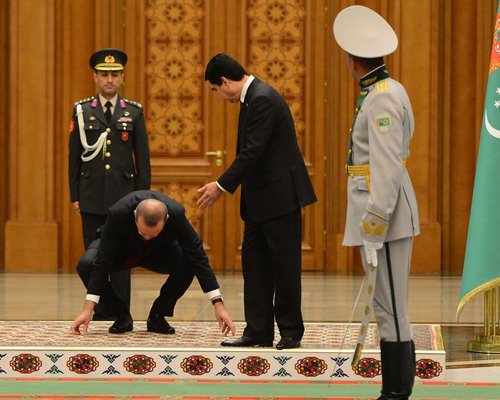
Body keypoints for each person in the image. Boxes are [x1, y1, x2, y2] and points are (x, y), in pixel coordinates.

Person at [197, 53, 317, 350]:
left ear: (225, 82)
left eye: (215, 89)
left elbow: (253, 151)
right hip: (259, 203)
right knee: (255, 267)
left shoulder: (262, 99)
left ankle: (290, 331)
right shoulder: (252, 98)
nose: (218, 95)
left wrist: (220, 186)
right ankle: (258, 331)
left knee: (284, 268)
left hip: (279, 199)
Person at [333, 6, 420, 399]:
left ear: (352, 61)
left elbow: (385, 166)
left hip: (386, 216)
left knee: (391, 308)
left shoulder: (381, 99)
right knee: (387, 304)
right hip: (383, 212)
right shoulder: (385, 90)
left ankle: (396, 393)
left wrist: (375, 220)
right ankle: (395, 390)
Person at [70, 190, 235, 338]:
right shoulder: (118, 212)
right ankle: (120, 315)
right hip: (121, 251)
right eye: (143, 233)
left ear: (166, 219)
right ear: (135, 217)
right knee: (87, 264)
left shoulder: (176, 214)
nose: (147, 237)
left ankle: (157, 315)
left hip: (158, 252)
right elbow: (103, 260)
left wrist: (218, 304)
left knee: (188, 262)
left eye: (153, 234)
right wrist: (88, 308)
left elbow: (198, 255)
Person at [68, 48, 151, 317]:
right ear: (95, 77)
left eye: (115, 74)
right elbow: (74, 158)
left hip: (124, 198)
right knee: (94, 258)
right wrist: (75, 195)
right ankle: (103, 310)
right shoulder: (82, 111)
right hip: (91, 196)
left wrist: (142, 199)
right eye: (104, 75)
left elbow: (142, 160)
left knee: (122, 257)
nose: (109, 80)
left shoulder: (133, 112)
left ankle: (122, 313)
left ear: (123, 77)